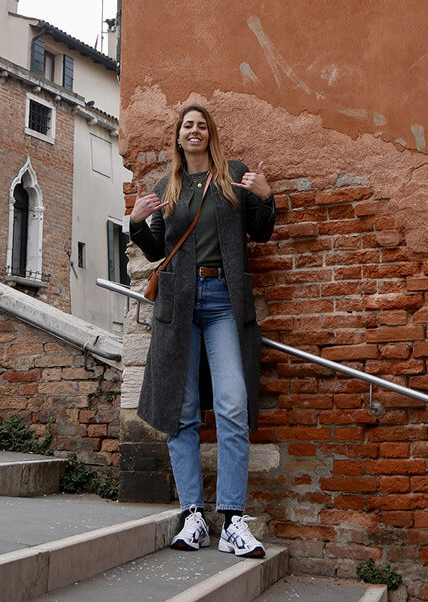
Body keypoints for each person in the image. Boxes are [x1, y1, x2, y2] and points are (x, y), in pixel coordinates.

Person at [129, 104, 275, 558]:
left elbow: (261, 233)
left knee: (233, 404)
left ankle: (232, 520)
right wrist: (136, 223)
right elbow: (156, 249)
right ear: (178, 136)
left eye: (201, 125)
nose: (194, 131)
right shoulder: (166, 186)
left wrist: (265, 197)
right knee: (182, 409)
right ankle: (192, 514)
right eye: (187, 126)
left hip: (223, 301)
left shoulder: (234, 175)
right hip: (179, 304)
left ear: (210, 133)